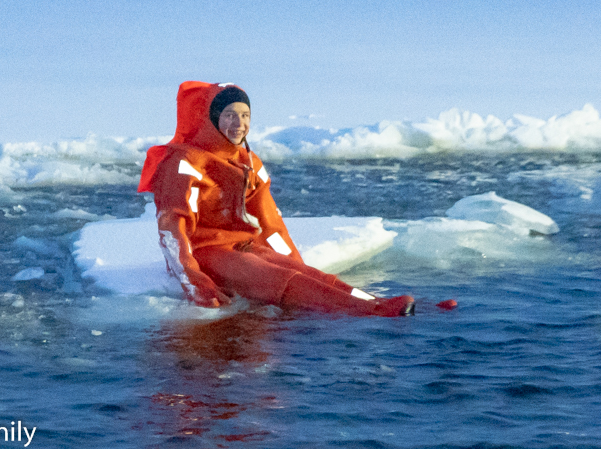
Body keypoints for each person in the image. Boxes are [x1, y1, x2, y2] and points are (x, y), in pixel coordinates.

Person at [138, 81, 417, 317]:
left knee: (311, 275)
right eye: (230, 115)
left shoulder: (248, 162)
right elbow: (172, 227)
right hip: (206, 252)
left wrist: (296, 262)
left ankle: (380, 303)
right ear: (212, 118)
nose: (239, 124)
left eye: (245, 115)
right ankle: (373, 312)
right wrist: (195, 281)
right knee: (276, 278)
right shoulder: (185, 161)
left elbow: (270, 223)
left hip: (242, 245)